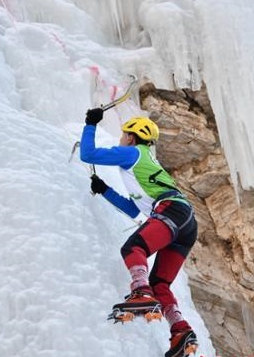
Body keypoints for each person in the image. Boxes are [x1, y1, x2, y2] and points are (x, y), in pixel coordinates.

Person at [80, 108, 198, 357]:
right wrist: (104, 190)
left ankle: (141, 293)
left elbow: (87, 153)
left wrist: (90, 123)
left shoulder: (133, 152)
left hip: (171, 210)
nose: (121, 140)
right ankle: (181, 332)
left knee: (133, 248)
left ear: (131, 138)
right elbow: (134, 210)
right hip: (184, 221)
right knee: (160, 283)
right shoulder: (145, 166)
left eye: (123, 136)